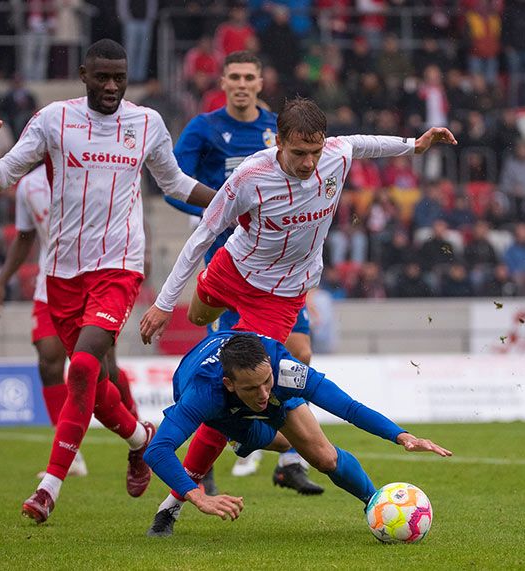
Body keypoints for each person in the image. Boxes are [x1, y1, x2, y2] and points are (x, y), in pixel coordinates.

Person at [140, 98, 456, 512]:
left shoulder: (335, 156)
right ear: (280, 143)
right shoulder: (250, 177)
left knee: (230, 382)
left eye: (315, 152)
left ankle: (181, 496)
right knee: (200, 317)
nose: (309, 162)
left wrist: (413, 145)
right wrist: (165, 304)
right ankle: (222, 371)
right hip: (232, 268)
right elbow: (203, 235)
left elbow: (361, 144)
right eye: (299, 153)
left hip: (280, 294)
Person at [0, 39, 216, 524]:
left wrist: (227, 198)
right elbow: (0, 179)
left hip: (119, 267)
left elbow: (176, 183)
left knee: (80, 367)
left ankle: (49, 486)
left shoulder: (146, 123)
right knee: (91, 384)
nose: (112, 85)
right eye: (102, 77)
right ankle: (142, 439)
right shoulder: (55, 119)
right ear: (83, 74)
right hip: (62, 272)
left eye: (120, 76)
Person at [164, 51, 321, 494]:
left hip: (279, 267)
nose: (241, 84)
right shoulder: (204, 128)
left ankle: (287, 459)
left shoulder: (279, 129)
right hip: (228, 265)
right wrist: (223, 206)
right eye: (233, 76)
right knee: (228, 365)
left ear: (259, 82)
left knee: (301, 354)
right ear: (223, 81)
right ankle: (209, 452)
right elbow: (172, 183)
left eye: (249, 76)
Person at [144, 332, 452, 536]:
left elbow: (348, 408)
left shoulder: (283, 370)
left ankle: (375, 502)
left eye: (266, 381)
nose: (263, 393)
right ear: (230, 384)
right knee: (255, 437)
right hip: (223, 412)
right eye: (253, 387)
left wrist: (401, 436)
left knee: (321, 455)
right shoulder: (204, 394)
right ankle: (177, 502)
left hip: (272, 391)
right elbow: (157, 450)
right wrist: (199, 497)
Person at [0, 165, 142, 478]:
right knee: (48, 360)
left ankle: (139, 437)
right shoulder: (28, 187)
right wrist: (2, 281)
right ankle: (71, 455)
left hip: (97, 280)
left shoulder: (94, 171)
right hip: (53, 284)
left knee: (104, 371)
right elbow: (25, 236)